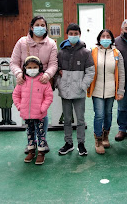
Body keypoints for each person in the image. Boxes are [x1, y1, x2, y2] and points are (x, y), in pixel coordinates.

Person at [10, 15, 58, 153]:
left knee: (42, 111)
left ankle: (43, 140)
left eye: (43, 25)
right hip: (25, 82)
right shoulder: (22, 42)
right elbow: (14, 62)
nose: (40, 28)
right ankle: (31, 142)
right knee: (29, 113)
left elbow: (53, 63)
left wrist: (48, 75)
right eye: (37, 25)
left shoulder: (51, 44)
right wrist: (19, 74)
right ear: (31, 27)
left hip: (42, 83)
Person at [55, 23, 95, 156]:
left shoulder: (86, 53)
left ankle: (81, 144)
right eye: (71, 34)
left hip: (79, 93)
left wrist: (82, 86)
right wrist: (59, 83)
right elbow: (56, 70)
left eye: (75, 34)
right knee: (67, 119)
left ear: (80, 35)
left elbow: (90, 72)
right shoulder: (61, 53)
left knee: (80, 119)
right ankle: (68, 143)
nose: (73, 36)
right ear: (67, 35)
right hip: (65, 92)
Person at [87, 29, 125, 154]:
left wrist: (120, 90)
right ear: (99, 39)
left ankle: (105, 136)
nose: (105, 38)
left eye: (108, 36)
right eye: (103, 36)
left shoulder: (116, 53)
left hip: (110, 90)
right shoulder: (93, 51)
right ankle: (98, 140)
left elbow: (121, 73)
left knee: (108, 114)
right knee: (99, 115)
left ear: (112, 39)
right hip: (97, 89)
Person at [12, 56, 54, 165]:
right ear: (25, 68)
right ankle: (31, 151)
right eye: (29, 67)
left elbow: (48, 97)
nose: (32, 69)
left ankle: (41, 153)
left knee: (41, 133)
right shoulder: (22, 81)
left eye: (35, 67)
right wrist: (20, 106)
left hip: (40, 115)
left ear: (39, 67)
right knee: (30, 133)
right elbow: (16, 95)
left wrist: (42, 108)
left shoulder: (43, 81)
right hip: (27, 114)